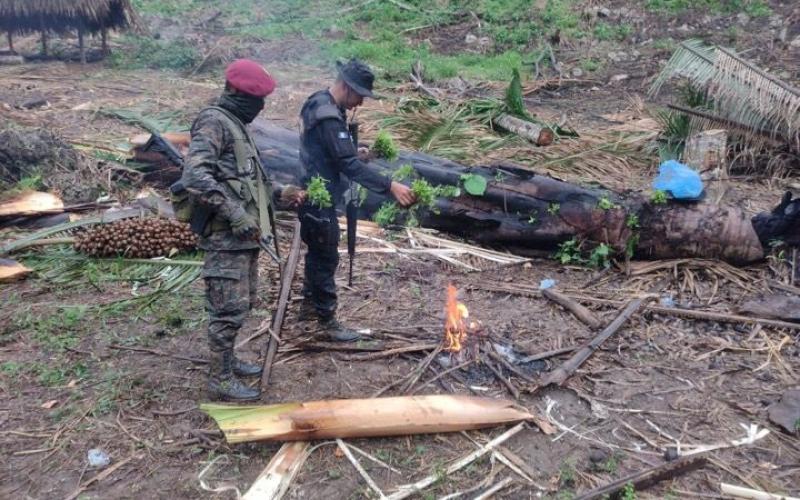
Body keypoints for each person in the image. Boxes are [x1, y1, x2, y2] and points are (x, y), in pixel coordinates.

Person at [181, 59, 302, 401]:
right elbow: (195, 176)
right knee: (227, 310)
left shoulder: (236, 125)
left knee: (241, 306)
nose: (259, 106)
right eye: (253, 98)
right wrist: (235, 214)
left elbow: (246, 181)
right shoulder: (214, 122)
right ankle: (219, 379)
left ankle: (228, 362)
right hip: (226, 237)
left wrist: (280, 193)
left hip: (244, 237)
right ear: (233, 91)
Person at [298, 59, 416, 341]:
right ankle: (326, 321)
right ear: (346, 87)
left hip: (315, 192)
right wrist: (390, 186)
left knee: (317, 253)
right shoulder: (328, 116)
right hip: (318, 198)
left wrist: (353, 151)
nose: (360, 102)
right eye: (360, 95)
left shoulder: (318, 101)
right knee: (326, 256)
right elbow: (347, 165)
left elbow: (334, 152)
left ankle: (309, 307)